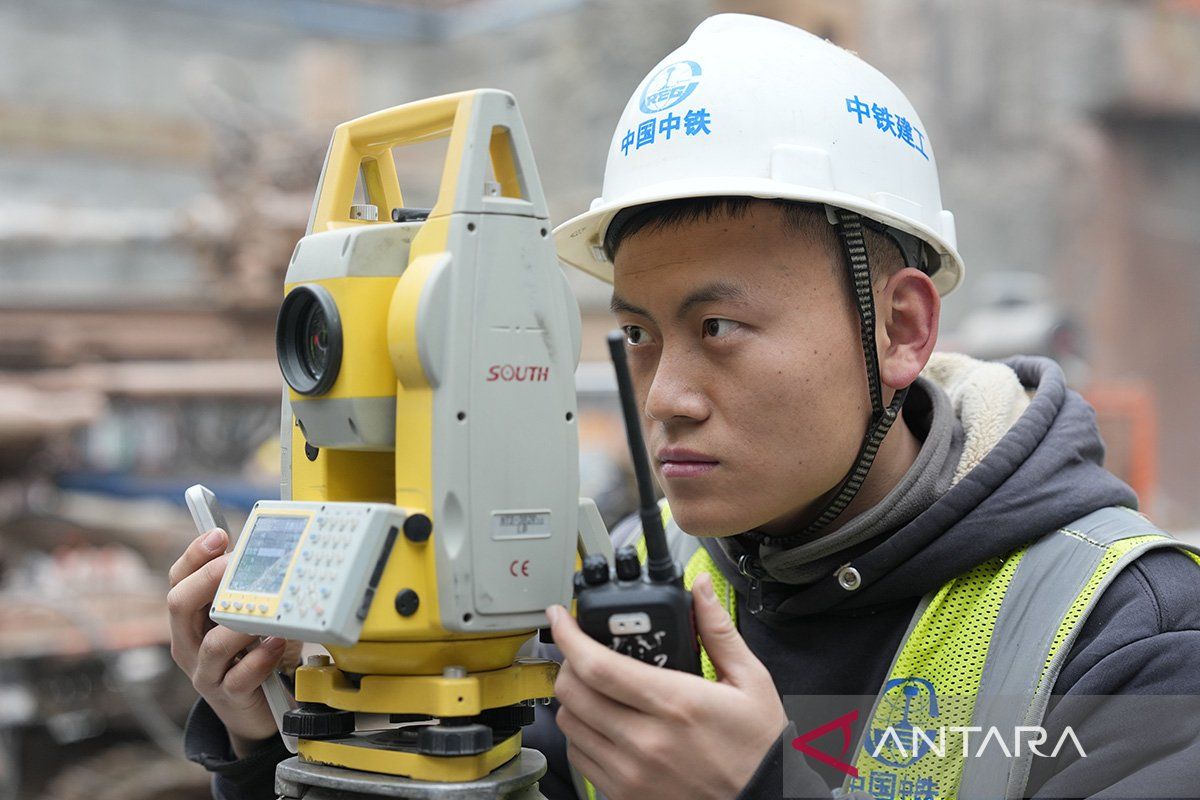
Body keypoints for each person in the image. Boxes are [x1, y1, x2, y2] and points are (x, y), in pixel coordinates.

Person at [169, 13, 1200, 800]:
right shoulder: (623, 583)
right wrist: (269, 742)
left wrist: (772, 787)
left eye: (718, 329)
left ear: (900, 330)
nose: (664, 398)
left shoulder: (1124, 634)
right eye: (642, 335)